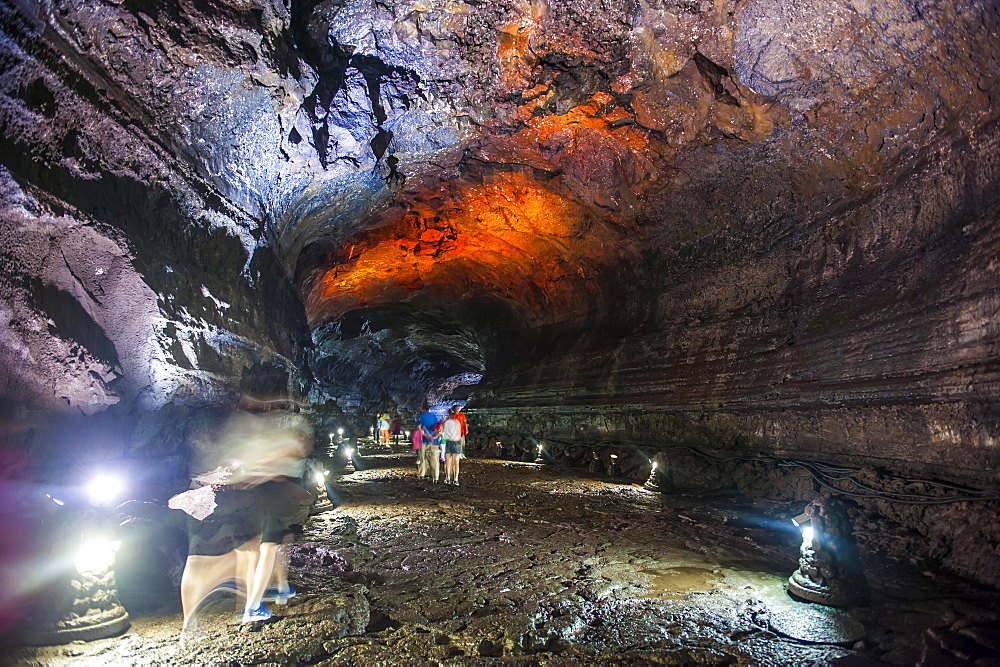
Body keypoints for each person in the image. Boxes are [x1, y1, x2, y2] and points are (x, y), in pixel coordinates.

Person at [441, 408, 464, 486]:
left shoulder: (446, 422)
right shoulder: (457, 422)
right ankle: (455, 479)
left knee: (448, 462)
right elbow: (459, 433)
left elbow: (443, 432)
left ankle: (447, 478)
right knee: (456, 463)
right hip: (456, 443)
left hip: (448, 443)